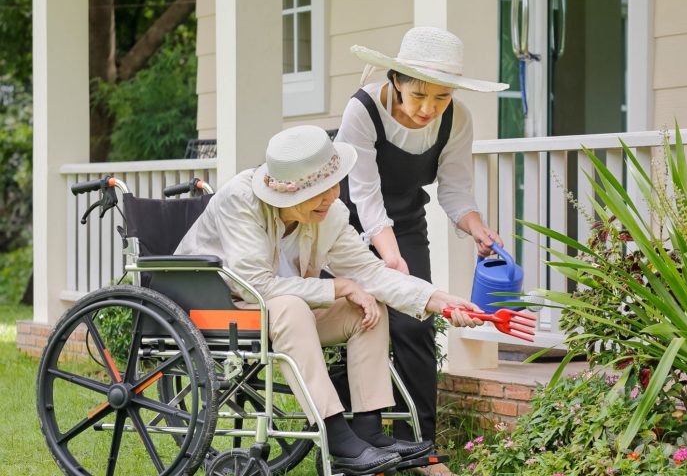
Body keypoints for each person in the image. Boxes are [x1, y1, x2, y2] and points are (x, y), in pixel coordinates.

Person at [175, 125, 484, 476]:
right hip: (220, 305)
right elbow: (253, 286)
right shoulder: (240, 200)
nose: (331, 197)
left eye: (334, 184)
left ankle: (369, 431)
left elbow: (372, 273)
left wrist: (440, 300)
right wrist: (338, 287)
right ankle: (337, 436)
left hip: (283, 311)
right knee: (295, 306)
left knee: (366, 306)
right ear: (287, 195)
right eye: (318, 191)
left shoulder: (329, 214)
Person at [335, 26, 509, 450]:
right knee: (361, 320)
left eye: (441, 97)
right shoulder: (362, 110)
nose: (429, 108)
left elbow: (454, 189)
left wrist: (476, 228)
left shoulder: (457, 118)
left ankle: (419, 446)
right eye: (419, 96)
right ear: (395, 81)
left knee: (415, 326)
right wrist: (391, 262)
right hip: (346, 224)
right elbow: (366, 197)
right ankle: (357, 440)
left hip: (407, 223)